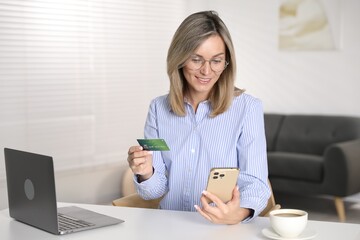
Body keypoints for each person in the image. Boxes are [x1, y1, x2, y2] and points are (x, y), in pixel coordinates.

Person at [127, 10, 270, 224]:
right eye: (196, 59)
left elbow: (256, 183)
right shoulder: (158, 109)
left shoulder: (248, 109)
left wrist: (236, 215)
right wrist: (146, 172)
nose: (206, 71)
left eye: (216, 61)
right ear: (179, 59)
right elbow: (154, 191)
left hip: (219, 230)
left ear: (226, 62)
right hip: (168, 227)